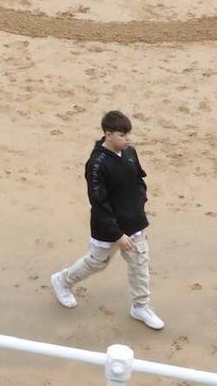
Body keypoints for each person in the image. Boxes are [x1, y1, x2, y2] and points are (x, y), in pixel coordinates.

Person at [50, 109, 163, 331]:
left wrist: (140, 200)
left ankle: (141, 306)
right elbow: (98, 204)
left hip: (134, 221)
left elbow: (139, 179)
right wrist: (117, 234)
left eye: (128, 134)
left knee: (140, 262)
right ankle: (62, 281)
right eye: (122, 135)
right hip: (108, 226)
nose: (127, 139)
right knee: (96, 262)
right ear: (108, 134)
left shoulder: (130, 153)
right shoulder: (96, 165)